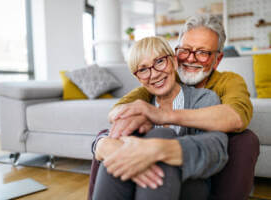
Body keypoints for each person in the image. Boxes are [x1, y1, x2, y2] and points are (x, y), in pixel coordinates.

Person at [104, 14, 259, 200]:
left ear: (217, 60)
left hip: (201, 161)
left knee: (245, 139)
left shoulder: (226, 83)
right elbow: (120, 109)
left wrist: (162, 116)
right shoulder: (164, 77)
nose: (190, 59)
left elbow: (236, 117)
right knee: (113, 141)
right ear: (175, 55)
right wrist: (105, 141)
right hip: (161, 163)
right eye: (185, 50)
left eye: (202, 52)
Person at [92, 36, 228, 200]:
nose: (154, 74)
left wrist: (160, 149)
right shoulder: (139, 105)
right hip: (142, 186)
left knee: (163, 135)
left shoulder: (204, 98)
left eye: (159, 62)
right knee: (116, 156)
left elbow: (216, 150)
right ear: (138, 79)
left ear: (174, 62)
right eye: (143, 70)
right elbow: (111, 134)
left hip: (191, 184)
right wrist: (101, 143)